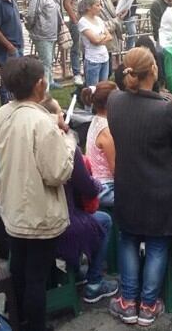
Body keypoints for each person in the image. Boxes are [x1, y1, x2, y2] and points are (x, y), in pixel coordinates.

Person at [0, 56, 75, 331]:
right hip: (39, 213)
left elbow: (23, 125)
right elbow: (58, 173)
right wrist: (68, 141)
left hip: (13, 207)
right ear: (40, 84)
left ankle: (17, 321)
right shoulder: (42, 124)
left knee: (18, 269)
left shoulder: (3, 113)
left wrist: (51, 122)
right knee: (36, 276)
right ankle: (35, 327)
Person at [106, 47, 172, 327]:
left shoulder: (114, 101)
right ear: (152, 70)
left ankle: (128, 301)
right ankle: (149, 304)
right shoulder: (164, 108)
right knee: (156, 243)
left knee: (129, 238)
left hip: (128, 184)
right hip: (160, 187)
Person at [39, 94, 119, 304]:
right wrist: (98, 185)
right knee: (104, 220)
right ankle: (94, 282)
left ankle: (76, 270)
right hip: (59, 223)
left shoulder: (29, 140)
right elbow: (87, 186)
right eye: (59, 112)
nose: (64, 115)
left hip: (32, 220)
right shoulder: (64, 147)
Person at [81, 0, 137, 65]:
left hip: (107, 43)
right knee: (95, 75)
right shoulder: (84, 5)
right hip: (94, 50)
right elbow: (98, 29)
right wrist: (117, 20)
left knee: (108, 71)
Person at [26, 0, 62, 89]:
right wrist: (30, 27)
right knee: (45, 62)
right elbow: (32, 14)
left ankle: (50, 82)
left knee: (49, 60)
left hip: (50, 33)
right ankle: (44, 90)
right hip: (42, 34)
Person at [83, 82, 117, 207]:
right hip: (106, 188)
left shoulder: (96, 120)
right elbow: (115, 169)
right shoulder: (106, 131)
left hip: (95, 180)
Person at [63, 0, 90, 81]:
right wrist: (74, 19)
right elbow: (67, 2)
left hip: (89, 18)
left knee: (88, 45)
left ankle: (88, 69)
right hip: (77, 19)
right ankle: (76, 73)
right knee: (76, 47)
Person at [77, 0, 113, 86]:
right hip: (93, 60)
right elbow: (95, 40)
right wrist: (101, 37)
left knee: (103, 87)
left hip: (105, 58)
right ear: (89, 7)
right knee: (93, 89)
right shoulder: (83, 22)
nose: (100, 8)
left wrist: (99, 38)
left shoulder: (99, 20)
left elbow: (109, 36)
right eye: (97, 5)